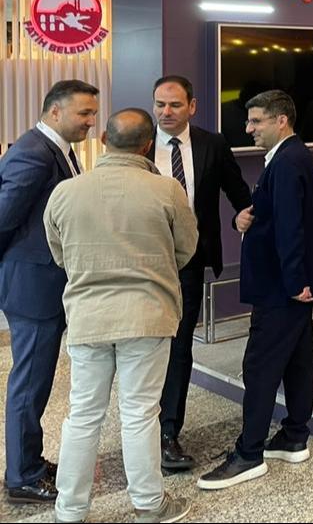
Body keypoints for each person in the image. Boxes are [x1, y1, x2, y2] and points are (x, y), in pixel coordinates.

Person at [44, 108, 198, 524]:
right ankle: (149, 505)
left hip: (88, 317)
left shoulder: (66, 192)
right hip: (148, 316)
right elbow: (185, 249)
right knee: (140, 413)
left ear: (103, 141)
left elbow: (59, 253)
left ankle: (70, 510)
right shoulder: (168, 190)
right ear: (148, 145)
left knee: (82, 414)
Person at [198, 90, 313, 491]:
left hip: (281, 287)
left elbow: (291, 229)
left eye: (256, 121)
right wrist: (246, 219)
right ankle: (293, 435)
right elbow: (278, 219)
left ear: (281, 120)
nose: (248, 128)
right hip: (288, 283)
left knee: (260, 365)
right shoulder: (290, 157)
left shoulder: (288, 161)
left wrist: (294, 283)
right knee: (296, 360)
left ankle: (249, 452)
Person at [0, 79, 99, 505]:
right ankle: (21, 476)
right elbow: (3, 218)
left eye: (93, 114)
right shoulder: (34, 153)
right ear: (54, 111)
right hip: (33, 288)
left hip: (43, 286)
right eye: (84, 114)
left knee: (37, 382)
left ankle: (30, 461)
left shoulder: (57, 150)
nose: (91, 122)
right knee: (30, 383)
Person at [149, 75, 253, 473]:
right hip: (146, 261)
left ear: (192, 106)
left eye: (175, 105)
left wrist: (245, 219)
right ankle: (141, 425)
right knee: (145, 346)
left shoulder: (212, 143)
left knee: (179, 344)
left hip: (189, 258)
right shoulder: (141, 143)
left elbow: (236, 190)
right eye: (160, 104)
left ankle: (168, 433)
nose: (166, 112)